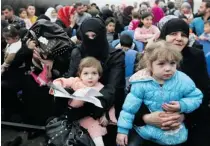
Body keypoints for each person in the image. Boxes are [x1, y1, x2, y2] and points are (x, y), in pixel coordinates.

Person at [134, 18, 210, 146]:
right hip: (152, 120)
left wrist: (183, 116)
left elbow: (204, 92)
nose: (179, 38)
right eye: (173, 34)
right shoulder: (149, 56)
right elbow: (135, 94)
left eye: (184, 35)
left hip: (188, 117)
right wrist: (146, 118)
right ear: (164, 36)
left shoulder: (196, 57)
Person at [116, 40, 203, 146]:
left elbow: (196, 97)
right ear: (150, 65)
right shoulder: (141, 83)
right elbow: (128, 110)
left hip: (174, 132)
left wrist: (182, 105)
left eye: (172, 63)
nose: (168, 68)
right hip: (146, 131)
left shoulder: (183, 80)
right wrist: (122, 131)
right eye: (161, 64)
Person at [65, 17, 125, 146]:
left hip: (106, 104)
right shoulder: (78, 52)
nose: (91, 39)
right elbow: (71, 77)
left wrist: (99, 106)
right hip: (80, 102)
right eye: (87, 36)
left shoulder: (115, 55)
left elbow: (114, 87)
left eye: (94, 35)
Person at [51, 57, 117, 146]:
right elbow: (62, 81)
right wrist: (58, 85)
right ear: (80, 75)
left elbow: (109, 104)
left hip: (90, 120)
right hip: (71, 117)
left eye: (94, 73)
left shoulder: (101, 88)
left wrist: (106, 116)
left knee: (98, 140)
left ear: (99, 75)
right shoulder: (76, 81)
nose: (90, 77)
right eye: (86, 73)